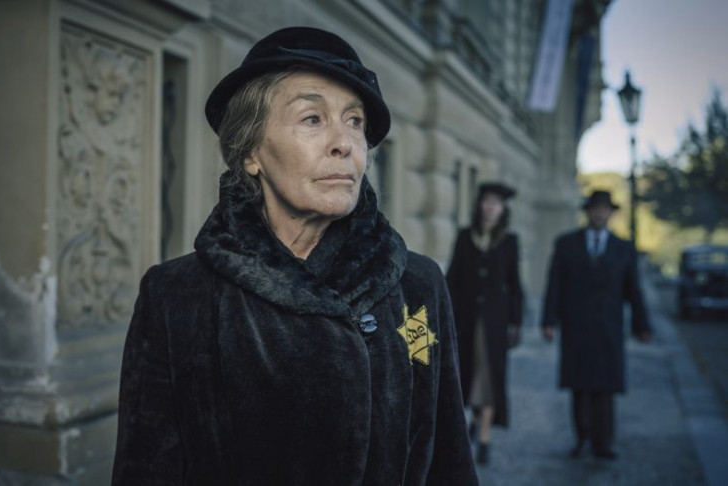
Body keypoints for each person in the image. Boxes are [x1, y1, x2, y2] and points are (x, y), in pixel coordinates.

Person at [111, 27, 477, 485]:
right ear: (251, 153)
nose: (344, 142)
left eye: (354, 121)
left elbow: (449, 460)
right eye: (312, 118)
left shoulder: (419, 284)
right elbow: (146, 470)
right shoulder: (177, 296)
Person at [541, 190, 652, 460]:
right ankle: (581, 438)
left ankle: (603, 443)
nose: (600, 213)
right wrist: (549, 321)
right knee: (579, 386)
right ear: (588, 212)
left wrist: (642, 325)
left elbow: (633, 290)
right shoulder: (567, 244)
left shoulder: (623, 248)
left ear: (610, 213)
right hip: (576, 327)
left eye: (605, 209)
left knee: (605, 388)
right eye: (595, 208)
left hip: (608, 329)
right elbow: (554, 284)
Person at [446, 182, 524, 464]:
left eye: (496, 203)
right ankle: (474, 421)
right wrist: (444, 312)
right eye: (487, 201)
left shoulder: (509, 241)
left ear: (503, 209)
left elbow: (514, 285)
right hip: (465, 320)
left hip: (494, 323)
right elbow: (452, 278)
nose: (491, 207)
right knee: (468, 374)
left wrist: (516, 322)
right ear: (480, 205)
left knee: (490, 378)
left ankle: (485, 438)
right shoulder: (465, 237)